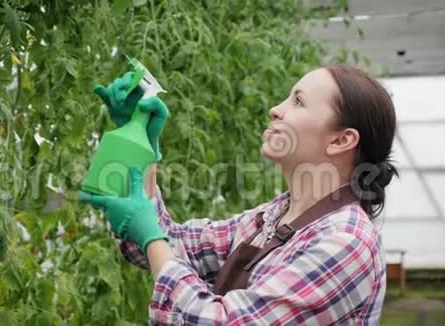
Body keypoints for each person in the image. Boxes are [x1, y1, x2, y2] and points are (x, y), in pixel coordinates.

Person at [80, 64, 398, 325]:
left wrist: (150, 236)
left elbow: (219, 321)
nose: (276, 109)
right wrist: (139, 140)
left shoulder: (345, 242)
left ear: (341, 141)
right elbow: (171, 245)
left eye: (298, 102)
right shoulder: (271, 219)